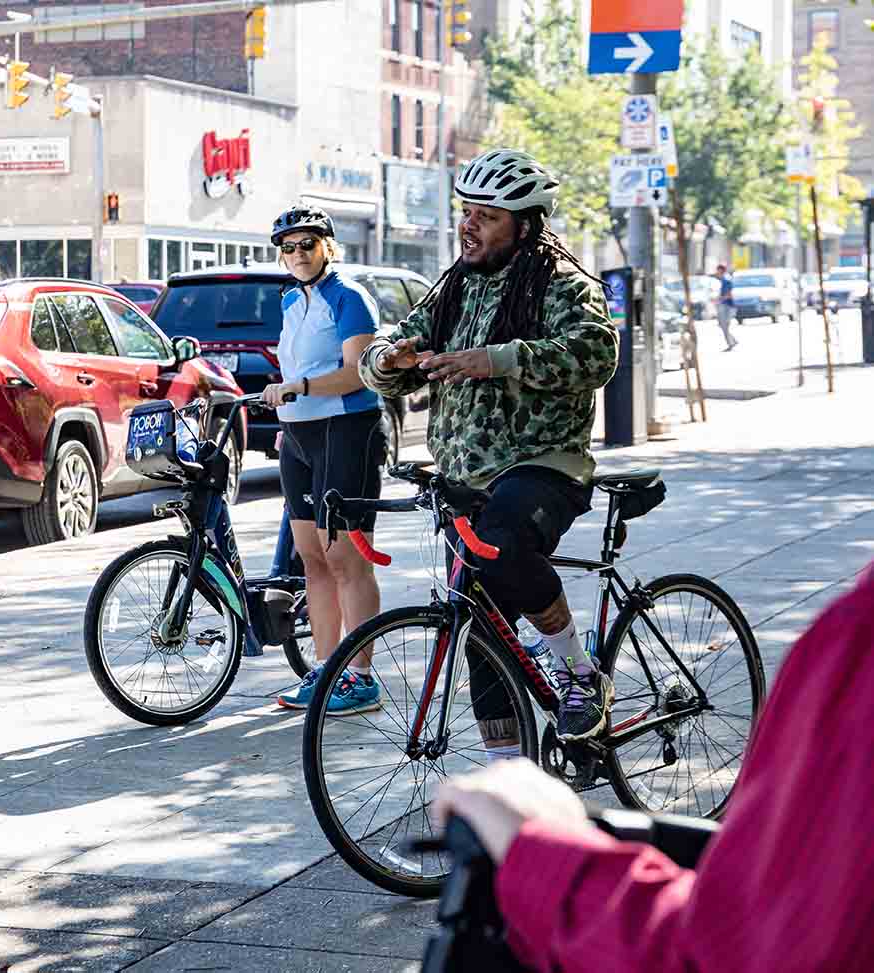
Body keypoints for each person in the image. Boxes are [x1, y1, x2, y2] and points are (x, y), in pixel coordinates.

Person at [432, 561, 874, 973]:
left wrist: (545, 854)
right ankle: (509, 756)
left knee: (503, 541)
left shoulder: (858, 641)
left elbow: (744, 952)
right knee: (483, 580)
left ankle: (578, 673)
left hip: (553, 477)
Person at [360, 149, 619, 747]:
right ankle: (511, 782)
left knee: (500, 546)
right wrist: (389, 360)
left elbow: (596, 356)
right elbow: (392, 352)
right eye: (466, 211)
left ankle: (581, 673)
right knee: (479, 623)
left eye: (487, 215)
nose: (468, 224)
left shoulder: (562, 285)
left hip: (542, 464)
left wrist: (497, 359)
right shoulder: (457, 287)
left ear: (524, 226)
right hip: (464, 474)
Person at [261, 205, 388, 716]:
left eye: (306, 245)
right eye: (287, 248)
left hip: (346, 430)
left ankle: (360, 677)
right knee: (311, 556)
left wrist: (301, 388)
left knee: (346, 558)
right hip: (301, 436)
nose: (296, 255)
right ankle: (327, 667)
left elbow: (359, 373)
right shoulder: (293, 300)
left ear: (327, 247)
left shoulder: (350, 297)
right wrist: (289, 423)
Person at [714, 263, 737, 351]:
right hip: (725, 305)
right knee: (723, 325)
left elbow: (728, 294)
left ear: (721, 270)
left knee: (724, 325)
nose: (717, 272)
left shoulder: (726, 280)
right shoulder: (723, 280)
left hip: (727, 306)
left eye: (718, 270)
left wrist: (720, 299)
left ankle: (731, 343)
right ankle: (732, 341)